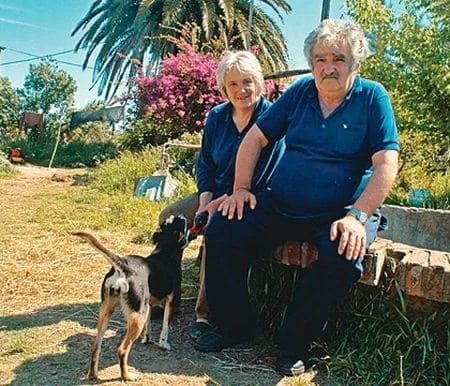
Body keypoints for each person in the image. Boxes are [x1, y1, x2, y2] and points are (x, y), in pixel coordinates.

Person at [195, 20, 400, 377]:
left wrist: (358, 217)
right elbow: (254, 139)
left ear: (356, 63)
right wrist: (241, 190)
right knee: (223, 227)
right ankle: (233, 324)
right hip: (280, 203)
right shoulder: (302, 91)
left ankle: (293, 342)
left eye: (338, 58)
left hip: (339, 213)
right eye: (320, 59)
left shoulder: (372, 97)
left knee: (343, 255)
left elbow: (387, 163)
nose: (328, 67)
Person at [158, 50, 284, 342]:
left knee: (215, 230)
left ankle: (205, 314)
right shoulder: (217, 117)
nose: (242, 90)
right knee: (169, 217)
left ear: (259, 82)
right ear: (224, 88)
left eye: (248, 81)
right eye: (234, 84)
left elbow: (264, 172)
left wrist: (215, 208)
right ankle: (166, 295)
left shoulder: (271, 116)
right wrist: (204, 200)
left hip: (249, 196)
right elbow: (205, 164)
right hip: (213, 192)